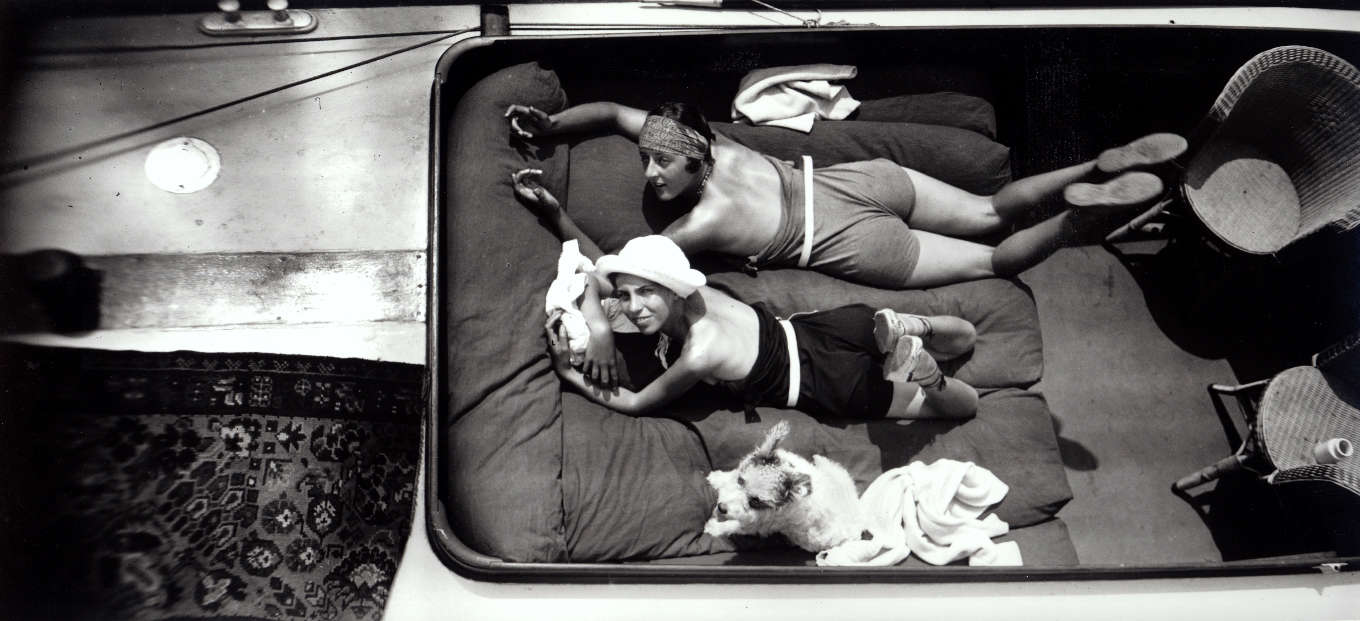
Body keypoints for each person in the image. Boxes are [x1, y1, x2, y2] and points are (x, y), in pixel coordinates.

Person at [506, 100, 1186, 289]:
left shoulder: (699, 226)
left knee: (995, 260)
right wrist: (555, 125)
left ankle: (1072, 227)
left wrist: (557, 211)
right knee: (989, 209)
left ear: (692, 160)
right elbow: (617, 114)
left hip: (852, 241)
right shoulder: (718, 143)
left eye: (658, 163)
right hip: (860, 180)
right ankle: (1096, 162)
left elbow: (615, 265)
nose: (650, 173)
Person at [544, 234, 980, 420]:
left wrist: (570, 374)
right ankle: (910, 327)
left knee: (962, 405)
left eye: (645, 294)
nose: (633, 308)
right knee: (965, 336)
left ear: (672, 292)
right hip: (828, 327)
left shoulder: (699, 351)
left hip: (824, 381)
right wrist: (601, 329)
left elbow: (639, 403)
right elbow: (594, 276)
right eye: (625, 296)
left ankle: (927, 373)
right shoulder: (693, 293)